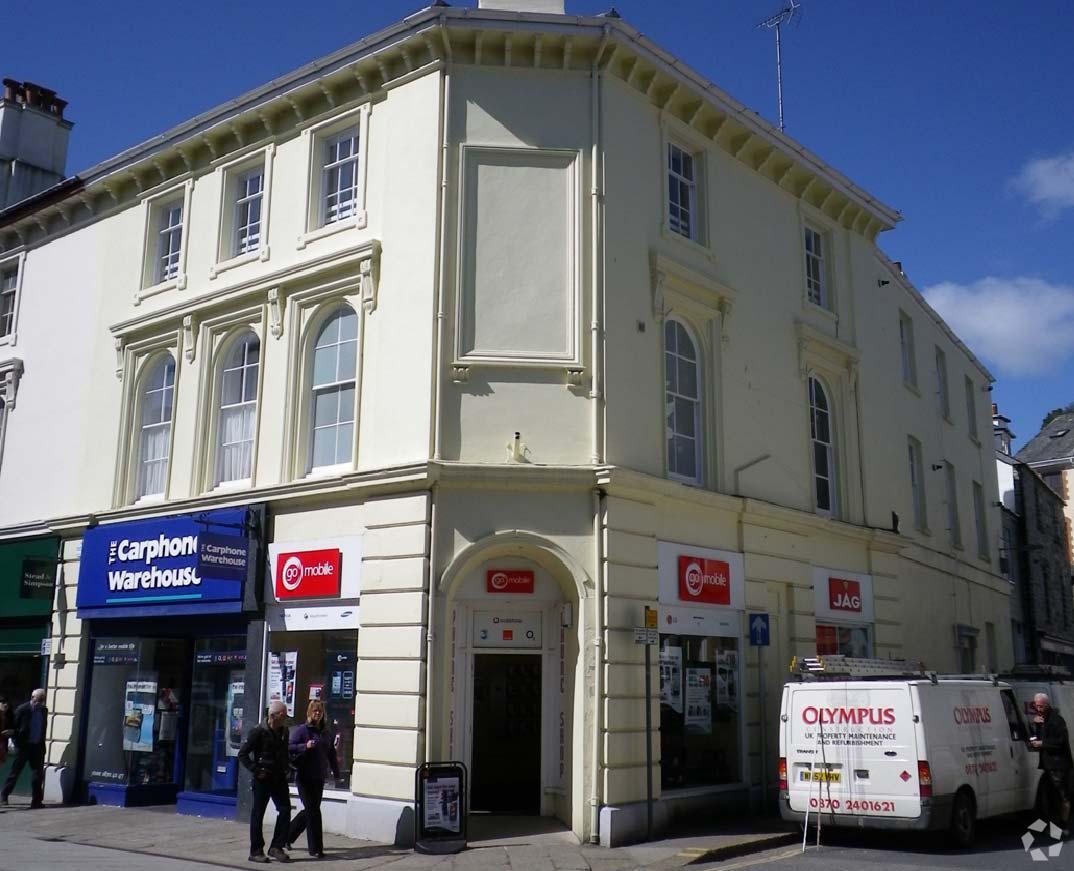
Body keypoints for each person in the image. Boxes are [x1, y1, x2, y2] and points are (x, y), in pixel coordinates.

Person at [238, 700, 292, 863]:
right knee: (258, 814)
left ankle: (276, 846)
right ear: (273, 716)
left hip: (279, 778)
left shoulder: (284, 732)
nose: (284, 719)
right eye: (282, 716)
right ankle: (256, 850)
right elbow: (243, 754)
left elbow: (284, 752)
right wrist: (256, 770)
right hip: (263, 779)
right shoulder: (258, 732)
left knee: (285, 809)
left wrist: (287, 767)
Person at [287, 700, 340, 859]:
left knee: (311, 811)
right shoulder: (302, 730)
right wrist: (305, 746)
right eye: (315, 711)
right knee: (313, 811)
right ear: (309, 713)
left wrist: (336, 772)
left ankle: (286, 837)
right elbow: (289, 747)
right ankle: (316, 848)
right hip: (304, 776)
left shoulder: (326, 732)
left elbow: (331, 754)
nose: (317, 714)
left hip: (319, 777)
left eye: (320, 711)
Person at [1030, 692, 1073, 834]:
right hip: (1048, 765)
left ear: (1047, 705)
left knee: (1062, 796)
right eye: (1036, 706)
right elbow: (1038, 737)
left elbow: (1060, 742)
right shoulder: (1042, 720)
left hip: (1059, 765)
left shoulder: (1056, 720)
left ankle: (1064, 825)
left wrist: (1042, 743)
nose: (1038, 709)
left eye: (1041, 706)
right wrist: (1037, 727)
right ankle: (1051, 825)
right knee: (1049, 797)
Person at [0, 689, 47, 808]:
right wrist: (16, 743)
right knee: (15, 772)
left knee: (38, 774)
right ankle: (4, 795)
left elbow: (43, 727)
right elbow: (13, 727)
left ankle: (36, 800)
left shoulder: (43, 710)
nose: (41, 702)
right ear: (32, 697)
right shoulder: (22, 709)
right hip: (24, 745)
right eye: (39, 699)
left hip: (37, 746)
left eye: (43, 700)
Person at [0, 695, 13, 765]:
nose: (6, 704)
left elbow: (13, 727)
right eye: (3, 702)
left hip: (3, 746)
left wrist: (12, 731)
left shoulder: (9, 716)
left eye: (7, 703)